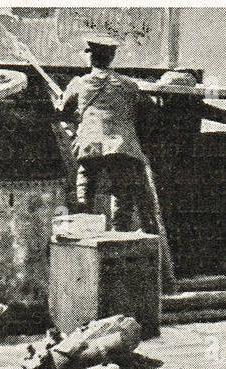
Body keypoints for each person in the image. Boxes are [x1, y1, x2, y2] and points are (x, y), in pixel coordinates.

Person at [56, 35, 176, 292]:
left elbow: (63, 112)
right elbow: (149, 116)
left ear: (90, 56)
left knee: (83, 198)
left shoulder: (79, 83)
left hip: (90, 146)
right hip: (123, 146)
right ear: (111, 58)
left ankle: (83, 247)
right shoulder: (129, 85)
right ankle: (118, 247)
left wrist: (78, 116)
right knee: (122, 200)